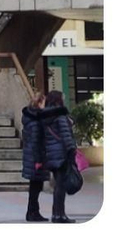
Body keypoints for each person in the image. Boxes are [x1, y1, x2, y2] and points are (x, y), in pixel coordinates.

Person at [22, 88, 79, 223]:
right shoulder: (42, 119)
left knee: (39, 186)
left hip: (44, 154)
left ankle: (37, 212)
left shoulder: (38, 118)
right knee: (46, 186)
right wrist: (38, 159)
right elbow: (62, 136)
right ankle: (48, 214)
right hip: (43, 155)